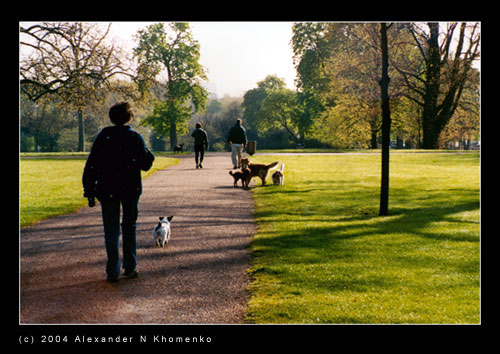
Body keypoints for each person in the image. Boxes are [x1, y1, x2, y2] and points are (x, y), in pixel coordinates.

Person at [82, 102, 155, 283]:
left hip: (107, 188)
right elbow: (145, 164)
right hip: (130, 187)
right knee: (129, 227)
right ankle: (130, 266)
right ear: (129, 117)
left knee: (111, 229)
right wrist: (149, 155)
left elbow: (91, 165)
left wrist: (89, 190)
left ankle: (112, 270)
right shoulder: (135, 137)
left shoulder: (103, 137)